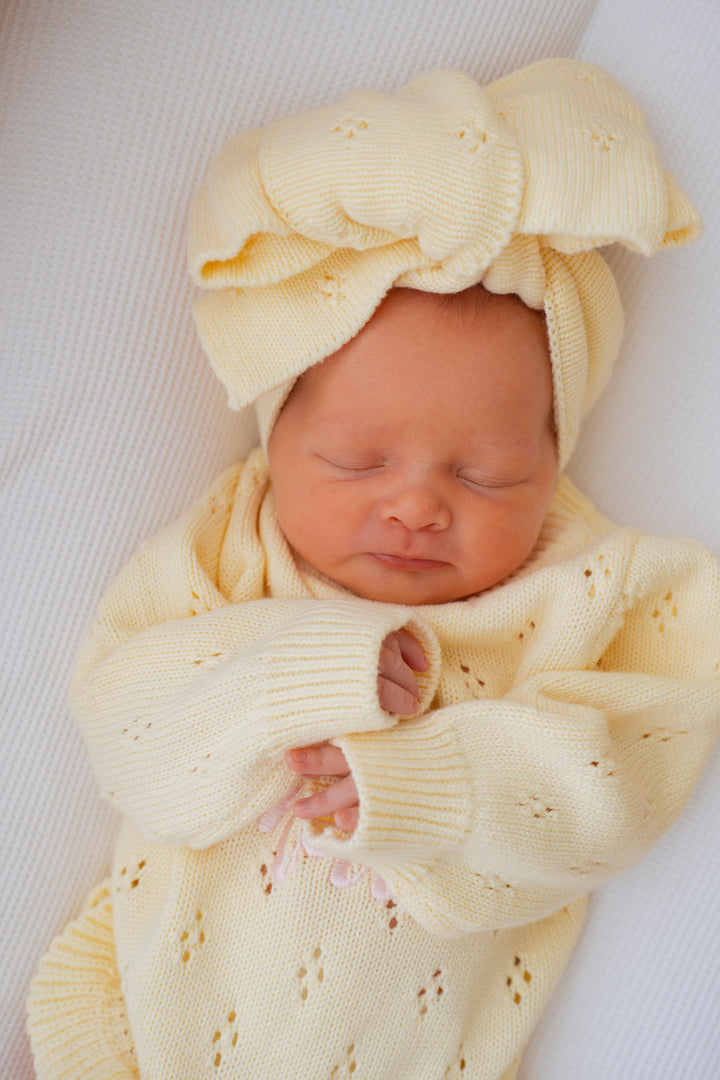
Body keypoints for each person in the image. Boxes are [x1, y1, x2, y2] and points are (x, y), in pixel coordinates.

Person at [27, 59, 720, 1080]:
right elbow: (123, 725)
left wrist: (427, 782)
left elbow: (623, 778)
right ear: (277, 434)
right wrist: (296, 672)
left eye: (487, 475)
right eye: (357, 461)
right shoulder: (235, 543)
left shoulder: (593, 592)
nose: (416, 504)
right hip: (132, 1027)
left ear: (554, 458)